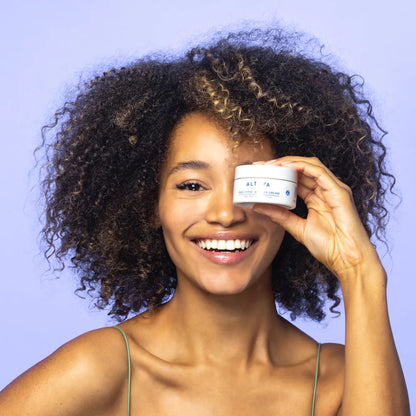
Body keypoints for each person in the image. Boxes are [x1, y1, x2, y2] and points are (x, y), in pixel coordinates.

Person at [0, 27, 410, 415]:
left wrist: (361, 272)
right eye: (192, 185)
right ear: (149, 203)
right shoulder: (103, 368)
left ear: (296, 198)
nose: (226, 214)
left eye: (252, 184)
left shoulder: (343, 382)